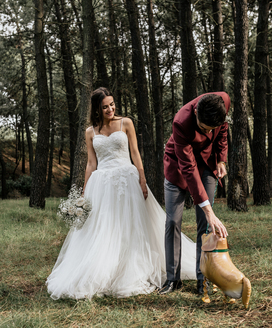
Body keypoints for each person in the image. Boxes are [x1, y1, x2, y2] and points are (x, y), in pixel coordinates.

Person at [46, 87, 196, 300]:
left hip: (127, 179)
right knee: (104, 227)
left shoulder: (126, 123)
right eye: (105, 106)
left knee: (131, 225)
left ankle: (135, 266)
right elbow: (91, 163)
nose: (110, 109)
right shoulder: (90, 132)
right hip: (102, 183)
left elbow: (135, 153)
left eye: (112, 104)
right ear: (97, 109)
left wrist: (142, 178)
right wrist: (85, 190)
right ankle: (106, 270)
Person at [160, 92, 230, 296]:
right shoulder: (181, 121)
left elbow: (223, 130)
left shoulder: (223, 101)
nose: (206, 132)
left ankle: (204, 279)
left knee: (205, 225)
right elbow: (188, 169)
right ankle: (173, 279)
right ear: (197, 111)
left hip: (208, 163)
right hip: (179, 165)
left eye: (210, 129)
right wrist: (208, 209)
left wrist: (221, 159)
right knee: (173, 221)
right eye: (202, 127)